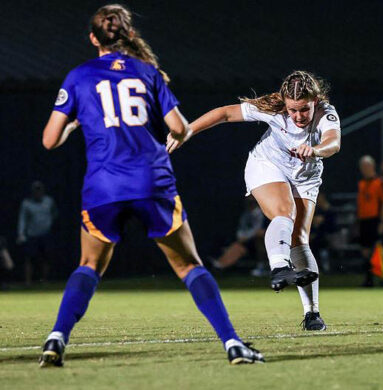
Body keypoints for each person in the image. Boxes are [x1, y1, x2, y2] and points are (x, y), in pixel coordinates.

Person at [38, 4, 263, 367]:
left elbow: (49, 140)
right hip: (152, 180)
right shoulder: (148, 72)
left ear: (93, 37)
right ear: (129, 35)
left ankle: (57, 337)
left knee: (89, 264)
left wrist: (72, 126)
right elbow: (180, 128)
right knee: (190, 266)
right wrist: (180, 132)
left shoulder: (78, 76)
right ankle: (233, 343)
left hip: (104, 186)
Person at [172, 70, 341, 331]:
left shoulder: (325, 113)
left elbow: (333, 142)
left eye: (304, 110)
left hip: (306, 175)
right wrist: (188, 131)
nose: (298, 116)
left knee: (300, 240)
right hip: (267, 165)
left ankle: (311, 313)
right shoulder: (273, 108)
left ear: (315, 102)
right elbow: (224, 113)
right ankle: (279, 267)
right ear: (284, 102)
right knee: (284, 212)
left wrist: (316, 150)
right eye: (293, 110)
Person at [356, 155, 383, 287]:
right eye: (362, 167)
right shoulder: (361, 183)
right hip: (364, 221)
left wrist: (382, 222)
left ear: (372, 166)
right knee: (365, 252)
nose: (364, 169)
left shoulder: (379, 183)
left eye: (366, 166)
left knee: (378, 251)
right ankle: (368, 280)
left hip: (375, 221)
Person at [17, 181, 58, 285]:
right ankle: (28, 281)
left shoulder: (49, 201)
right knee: (29, 259)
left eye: (39, 190)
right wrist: (21, 233)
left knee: (46, 258)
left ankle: (44, 280)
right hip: (32, 235)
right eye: (36, 190)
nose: (38, 192)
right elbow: (22, 219)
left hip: (46, 234)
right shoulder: (26, 203)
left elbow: (54, 214)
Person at [211, 198, 267, 271]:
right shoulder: (246, 215)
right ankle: (221, 264)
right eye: (249, 202)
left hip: (262, 242)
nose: (250, 204)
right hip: (248, 242)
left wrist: (248, 236)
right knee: (237, 247)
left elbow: (260, 230)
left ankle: (262, 267)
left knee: (260, 235)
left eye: (252, 202)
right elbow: (241, 231)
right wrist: (244, 237)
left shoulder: (263, 213)